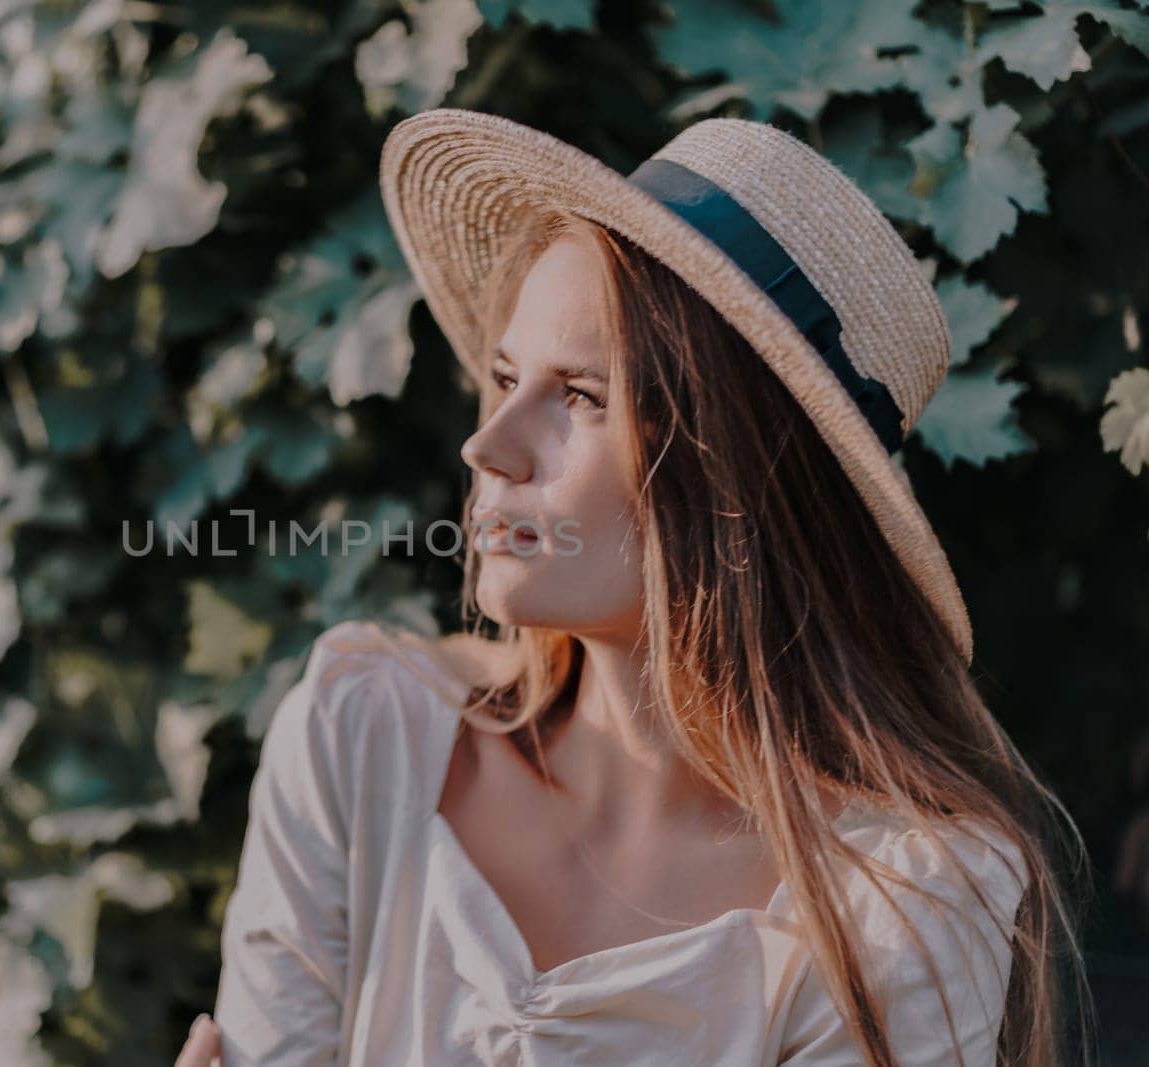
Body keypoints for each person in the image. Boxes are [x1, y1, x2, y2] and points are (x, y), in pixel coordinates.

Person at [178, 109, 1094, 1066]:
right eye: (504, 377)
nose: (488, 446)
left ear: (743, 480)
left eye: (579, 395)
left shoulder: (901, 908)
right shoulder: (361, 736)